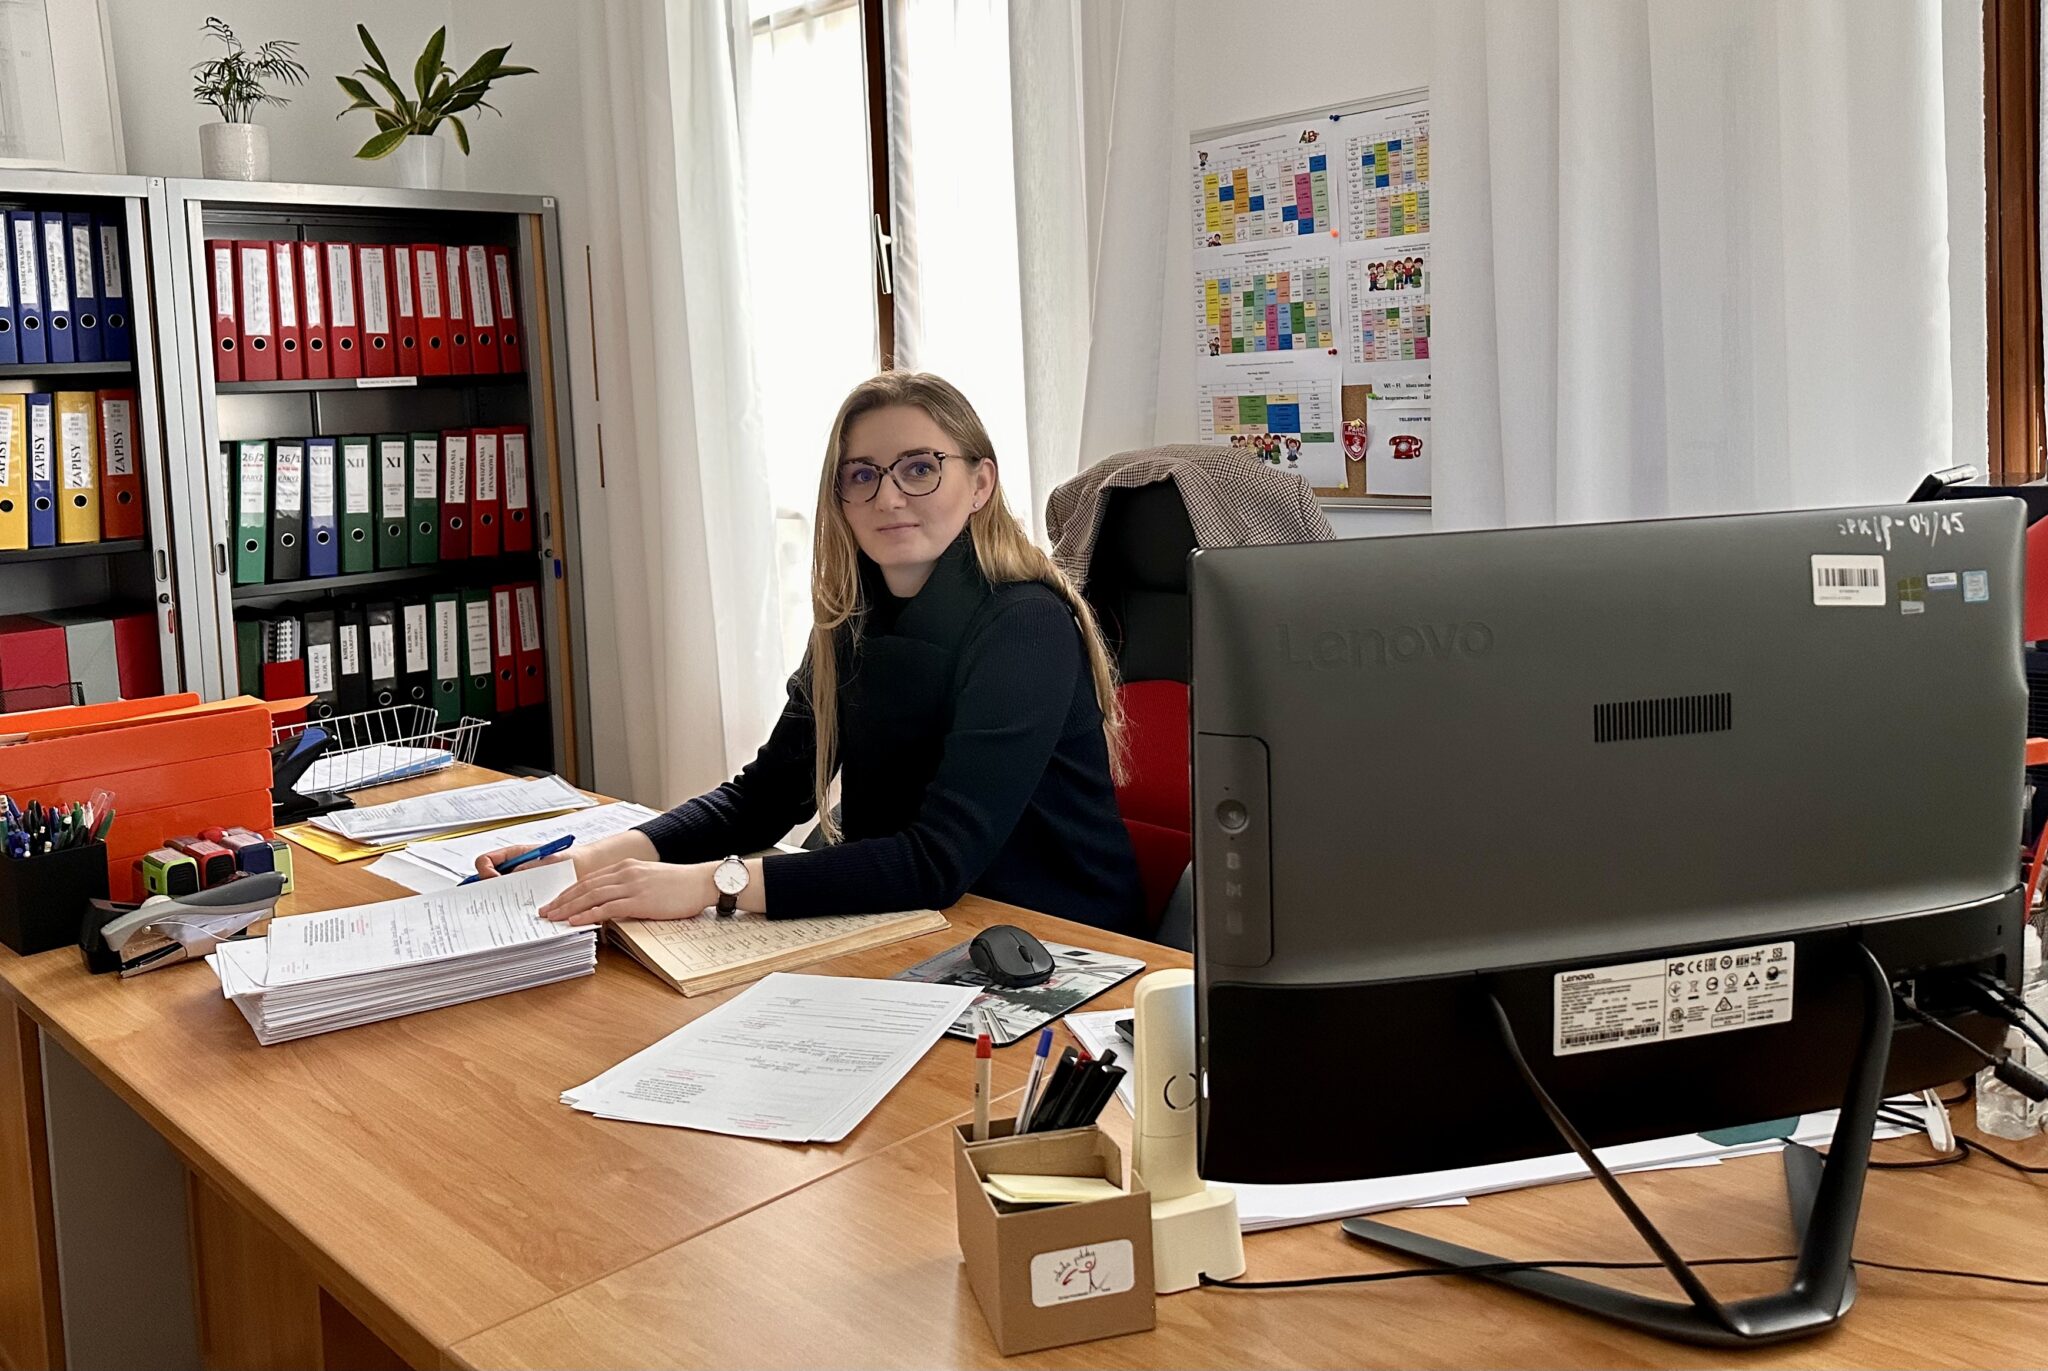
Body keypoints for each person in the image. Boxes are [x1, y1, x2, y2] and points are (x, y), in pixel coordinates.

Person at [477, 371, 1147, 935]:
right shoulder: (849, 619)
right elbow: (765, 797)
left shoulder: (1025, 623)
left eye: (920, 468)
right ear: (840, 498)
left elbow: (939, 859)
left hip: (1055, 940)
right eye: (863, 475)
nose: (889, 496)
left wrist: (712, 884)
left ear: (980, 484)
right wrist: (591, 862)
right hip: (914, 922)